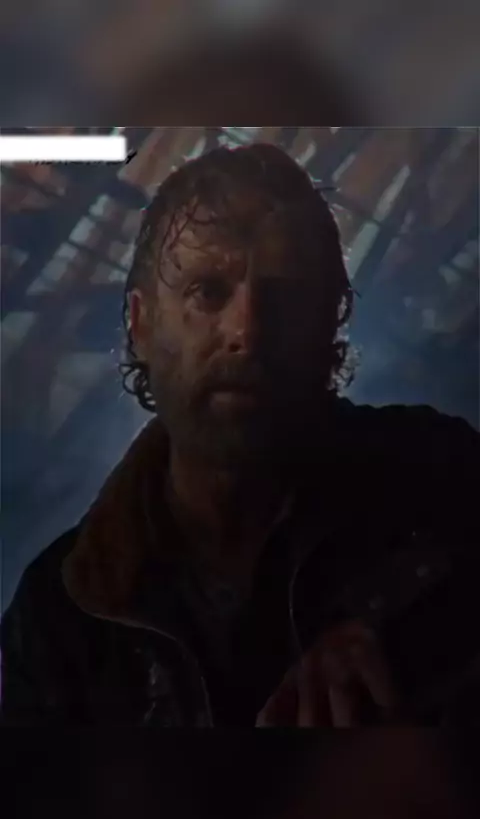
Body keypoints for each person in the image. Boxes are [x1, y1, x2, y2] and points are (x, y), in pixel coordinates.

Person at [1, 142, 479, 726]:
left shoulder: (439, 473)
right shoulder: (59, 617)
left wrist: (405, 639)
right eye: (208, 292)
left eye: (285, 296)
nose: (246, 331)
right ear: (141, 324)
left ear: (330, 322)